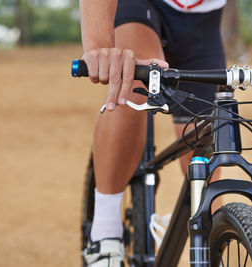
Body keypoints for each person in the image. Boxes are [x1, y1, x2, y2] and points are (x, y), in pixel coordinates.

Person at [80, 0, 227, 266]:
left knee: (201, 148)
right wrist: (99, 47)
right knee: (133, 83)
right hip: (140, 6)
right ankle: (105, 231)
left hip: (203, 20)